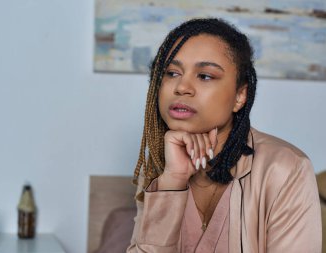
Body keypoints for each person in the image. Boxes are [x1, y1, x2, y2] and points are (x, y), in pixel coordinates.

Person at [126, 18, 321, 253]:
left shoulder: (285, 168)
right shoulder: (158, 168)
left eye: (205, 76)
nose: (181, 87)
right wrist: (173, 181)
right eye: (171, 73)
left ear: (240, 96)